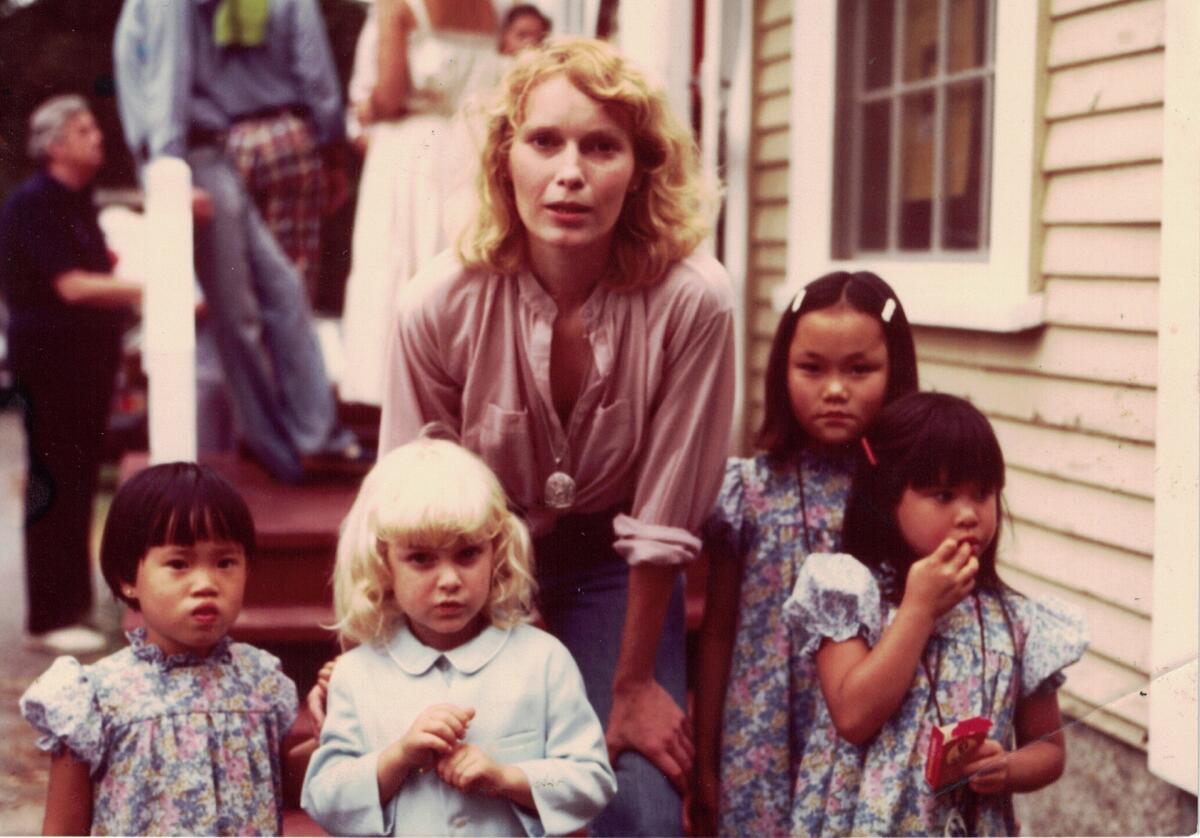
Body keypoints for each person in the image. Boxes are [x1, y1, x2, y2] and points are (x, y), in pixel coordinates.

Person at [377, 38, 735, 835]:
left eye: (601, 146)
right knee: (463, 796)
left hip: (619, 572)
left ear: (640, 168)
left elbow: (666, 517)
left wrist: (635, 684)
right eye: (545, 142)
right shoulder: (437, 302)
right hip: (478, 567)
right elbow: (409, 507)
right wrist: (374, 659)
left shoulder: (693, 302)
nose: (570, 173)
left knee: (634, 806)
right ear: (507, 159)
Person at [783, 392, 1088, 835]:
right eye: (943, 495)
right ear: (889, 498)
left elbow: (1050, 750)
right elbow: (852, 716)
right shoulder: (850, 591)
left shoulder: (1020, 622)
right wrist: (920, 609)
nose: (969, 514)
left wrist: (1008, 767)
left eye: (982, 494)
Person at [690, 270, 919, 836]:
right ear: (781, 371)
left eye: (859, 369)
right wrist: (705, 757)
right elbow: (718, 629)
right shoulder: (749, 490)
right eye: (811, 368)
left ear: (896, 374)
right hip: (760, 737)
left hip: (864, 733)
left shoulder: (909, 496)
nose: (835, 389)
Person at [301, 439, 617, 835]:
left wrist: (509, 778)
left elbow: (587, 780)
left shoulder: (543, 661)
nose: (449, 580)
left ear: (496, 553)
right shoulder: (356, 674)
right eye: (421, 558)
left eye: (468, 554)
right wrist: (397, 759)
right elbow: (325, 794)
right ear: (383, 565)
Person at [112, 0, 361, 483]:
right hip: (192, 159)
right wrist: (169, 170)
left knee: (284, 289)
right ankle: (278, 446)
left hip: (219, 154)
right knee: (237, 315)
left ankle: (314, 436)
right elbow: (167, 76)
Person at [18, 462, 314, 835]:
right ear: (128, 579)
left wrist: (328, 735)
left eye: (225, 563)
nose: (206, 583)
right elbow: (63, 828)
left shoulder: (261, 683)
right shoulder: (96, 697)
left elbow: (282, 787)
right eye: (179, 563)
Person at [0, 95, 142, 654]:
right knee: (54, 480)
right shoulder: (36, 202)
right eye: (83, 129)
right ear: (55, 143)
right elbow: (73, 285)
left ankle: (72, 604)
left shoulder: (77, 201)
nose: (98, 137)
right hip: (52, 362)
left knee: (78, 480)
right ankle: (50, 613)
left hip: (83, 362)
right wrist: (154, 288)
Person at [339, 0, 503, 406]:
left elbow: (391, 95)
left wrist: (368, 106)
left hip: (412, 152)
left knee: (397, 264)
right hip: (470, 147)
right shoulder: (495, 9)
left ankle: (397, 395)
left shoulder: (398, 7)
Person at [218, 0, 349, 303]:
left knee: (232, 280)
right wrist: (334, 156)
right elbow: (316, 76)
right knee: (291, 280)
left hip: (223, 142)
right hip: (285, 140)